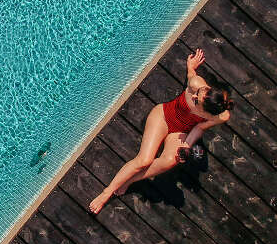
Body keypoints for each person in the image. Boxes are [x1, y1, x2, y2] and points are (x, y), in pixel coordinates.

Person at [88, 48, 233, 214]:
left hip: (181, 131)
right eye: (197, 94)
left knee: (172, 160)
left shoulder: (220, 116)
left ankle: (129, 180)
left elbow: (199, 127)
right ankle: (106, 192)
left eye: (197, 101)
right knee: (144, 160)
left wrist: (186, 146)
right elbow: (191, 75)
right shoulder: (196, 85)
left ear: (208, 110)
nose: (193, 96)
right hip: (163, 117)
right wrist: (191, 66)